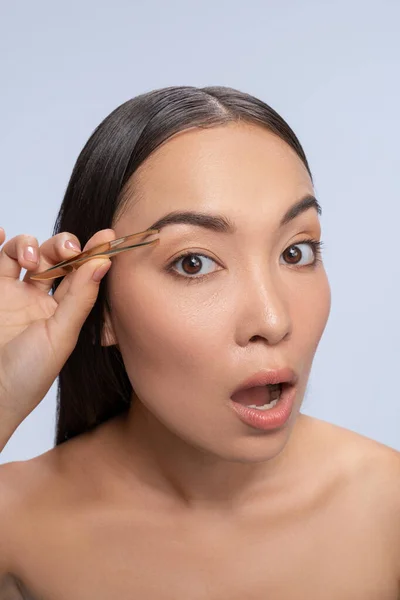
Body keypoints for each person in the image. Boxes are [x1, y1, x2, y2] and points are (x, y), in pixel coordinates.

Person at [0, 86, 399, 599]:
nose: (274, 320)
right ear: (100, 308)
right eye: (195, 262)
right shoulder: (16, 530)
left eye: (297, 252)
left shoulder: (388, 510)